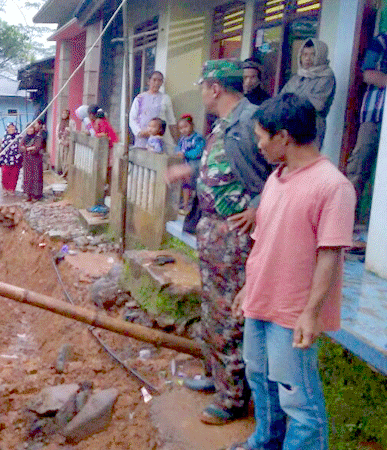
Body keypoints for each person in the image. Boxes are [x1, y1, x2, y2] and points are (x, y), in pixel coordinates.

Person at [224, 93, 355, 450]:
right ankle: (264, 442)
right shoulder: (276, 179)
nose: (259, 144)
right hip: (262, 301)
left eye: (262, 136)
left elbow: (329, 256)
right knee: (261, 380)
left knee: (299, 400)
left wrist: (311, 314)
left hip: (292, 312)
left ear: (283, 137)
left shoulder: (333, 186)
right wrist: (248, 288)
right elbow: (264, 241)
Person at [166, 60, 272, 425]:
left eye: (202, 87)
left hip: (235, 235)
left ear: (215, 88)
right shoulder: (224, 125)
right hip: (212, 230)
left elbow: (283, 169)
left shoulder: (254, 121)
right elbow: (219, 166)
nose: (201, 94)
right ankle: (216, 376)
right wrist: (191, 171)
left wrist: (259, 208)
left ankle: (233, 400)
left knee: (230, 314)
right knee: (212, 307)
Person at [346, 18, 387, 236]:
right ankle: (344, 222)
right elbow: (368, 73)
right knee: (359, 165)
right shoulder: (382, 41)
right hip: (374, 114)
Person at [280, 38, 336, 148]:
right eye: (304, 54)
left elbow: (317, 104)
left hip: (311, 127)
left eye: (312, 55)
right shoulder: (297, 77)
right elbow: (280, 99)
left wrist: (291, 100)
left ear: (320, 55)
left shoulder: (326, 77)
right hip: (290, 126)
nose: (307, 58)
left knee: (307, 160)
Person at [129, 71, 178, 147]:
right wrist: (140, 132)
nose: (157, 83)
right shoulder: (140, 98)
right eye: (154, 80)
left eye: (160, 80)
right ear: (149, 81)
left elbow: (171, 120)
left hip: (158, 140)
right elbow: (132, 118)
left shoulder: (165, 98)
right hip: (142, 139)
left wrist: (176, 141)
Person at [175, 114, 205, 213]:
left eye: (186, 127)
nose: (183, 130)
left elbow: (198, 152)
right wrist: (178, 153)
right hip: (185, 166)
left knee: (195, 186)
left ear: (192, 125)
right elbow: (178, 149)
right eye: (181, 128)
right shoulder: (182, 139)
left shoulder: (197, 138)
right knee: (185, 185)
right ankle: (185, 205)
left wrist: (185, 154)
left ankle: (194, 207)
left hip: (195, 166)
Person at [21, 119, 46, 201]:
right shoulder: (24, 138)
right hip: (27, 161)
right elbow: (21, 148)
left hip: (36, 161)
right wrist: (29, 148)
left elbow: (36, 148)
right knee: (27, 177)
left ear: (34, 129)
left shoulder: (38, 137)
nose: (30, 130)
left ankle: (36, 195)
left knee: (36, 176)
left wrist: (27, 149)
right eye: (28, 128)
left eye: (31, 128)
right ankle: (28, 194)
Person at [0, 122, 22, 195]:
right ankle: (5, 189)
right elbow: (2, 148)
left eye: (13, 127)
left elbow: (21, 147)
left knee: (14, 175)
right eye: (9, 127)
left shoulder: (19, 136)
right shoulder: (4, 137)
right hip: (6, 159)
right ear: (7, 128)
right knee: (5, 174)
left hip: (16, 159)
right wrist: (1, 159)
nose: (11, 129)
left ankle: (12, 189)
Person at [57, 109, 76, 176]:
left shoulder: (71, 122)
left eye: (65, 113)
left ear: (68, 114)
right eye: (63, 113)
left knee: (67, 158)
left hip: (68, 143)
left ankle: (67, 173)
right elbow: (57, 134)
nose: (64, 115)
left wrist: (68, 141)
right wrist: (60, 141)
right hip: (61, 143)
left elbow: (73, 132)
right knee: (62, 157)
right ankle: (63, 172)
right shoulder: (60, 123)